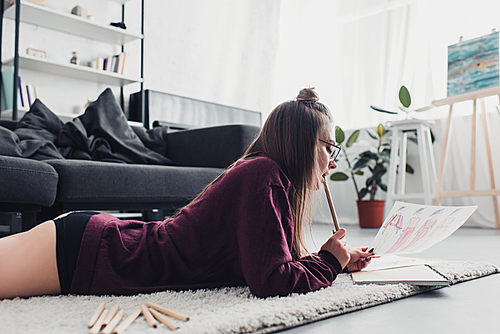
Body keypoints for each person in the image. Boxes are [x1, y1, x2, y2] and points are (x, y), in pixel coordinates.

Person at [0, 88, 373, 300]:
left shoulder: (270, 179)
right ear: (303, 144)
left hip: (98, 248)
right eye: (330, 148)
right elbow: (270, 282)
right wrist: (328, 263)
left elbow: (270, 264)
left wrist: (333, 262)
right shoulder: (263, 174)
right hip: (95, 251)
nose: (333, 162)